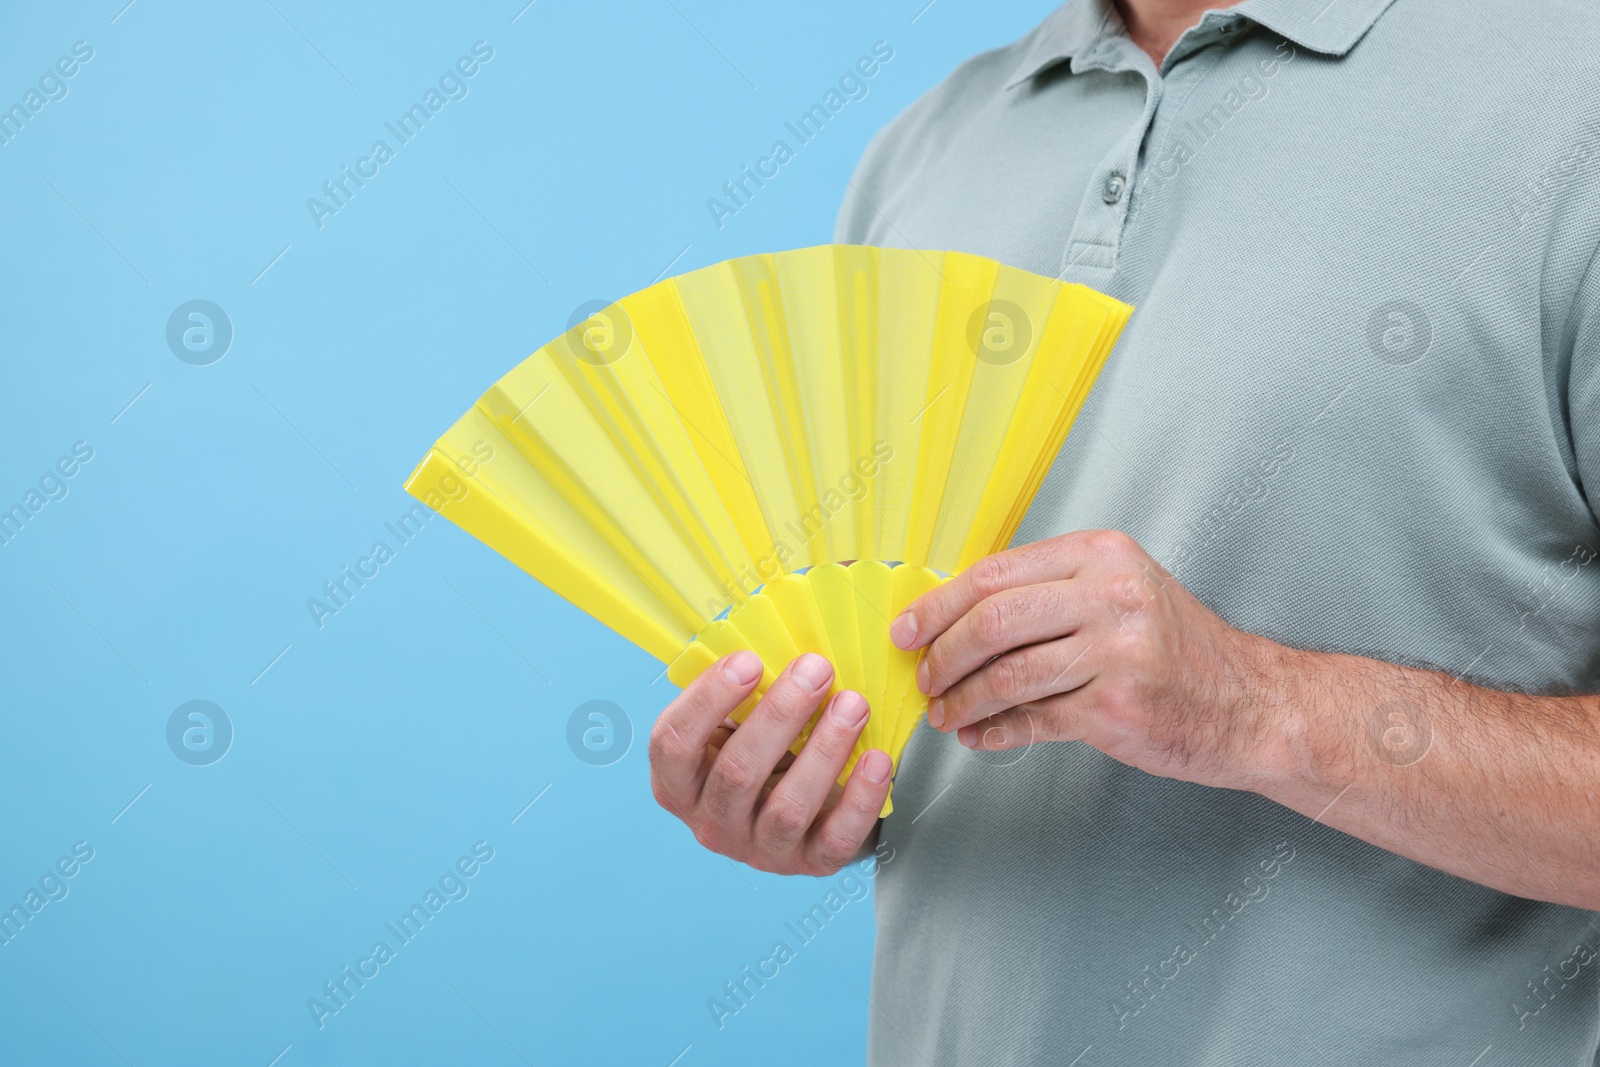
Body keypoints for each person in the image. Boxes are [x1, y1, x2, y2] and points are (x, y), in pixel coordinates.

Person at [648, 0, 1600, 1062]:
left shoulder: (1574, 95)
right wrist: (803, 778)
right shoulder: (925, 150)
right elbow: (896, 689)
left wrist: (1256, 706)